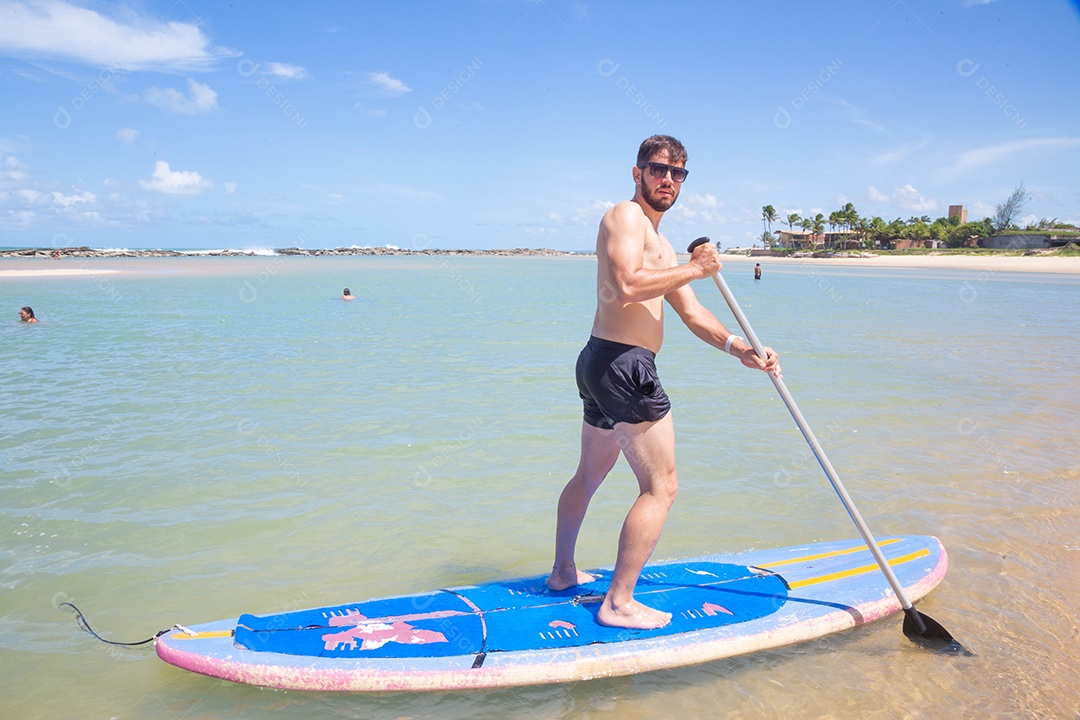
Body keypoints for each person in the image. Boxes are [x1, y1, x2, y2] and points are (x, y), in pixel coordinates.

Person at [545, 135, 781, 630]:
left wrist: (739, 349)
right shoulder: (625, 217)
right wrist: (697, 267)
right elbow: (628, 284)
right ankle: (619, 603)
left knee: (590, 475)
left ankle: (564, 573)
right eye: (658, 170)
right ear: (637, 173)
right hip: (623, 365)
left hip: (602, 363)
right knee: (662, 486)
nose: (668, 180)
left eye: (678, 174)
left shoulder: (664, 244)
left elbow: (692, 312)